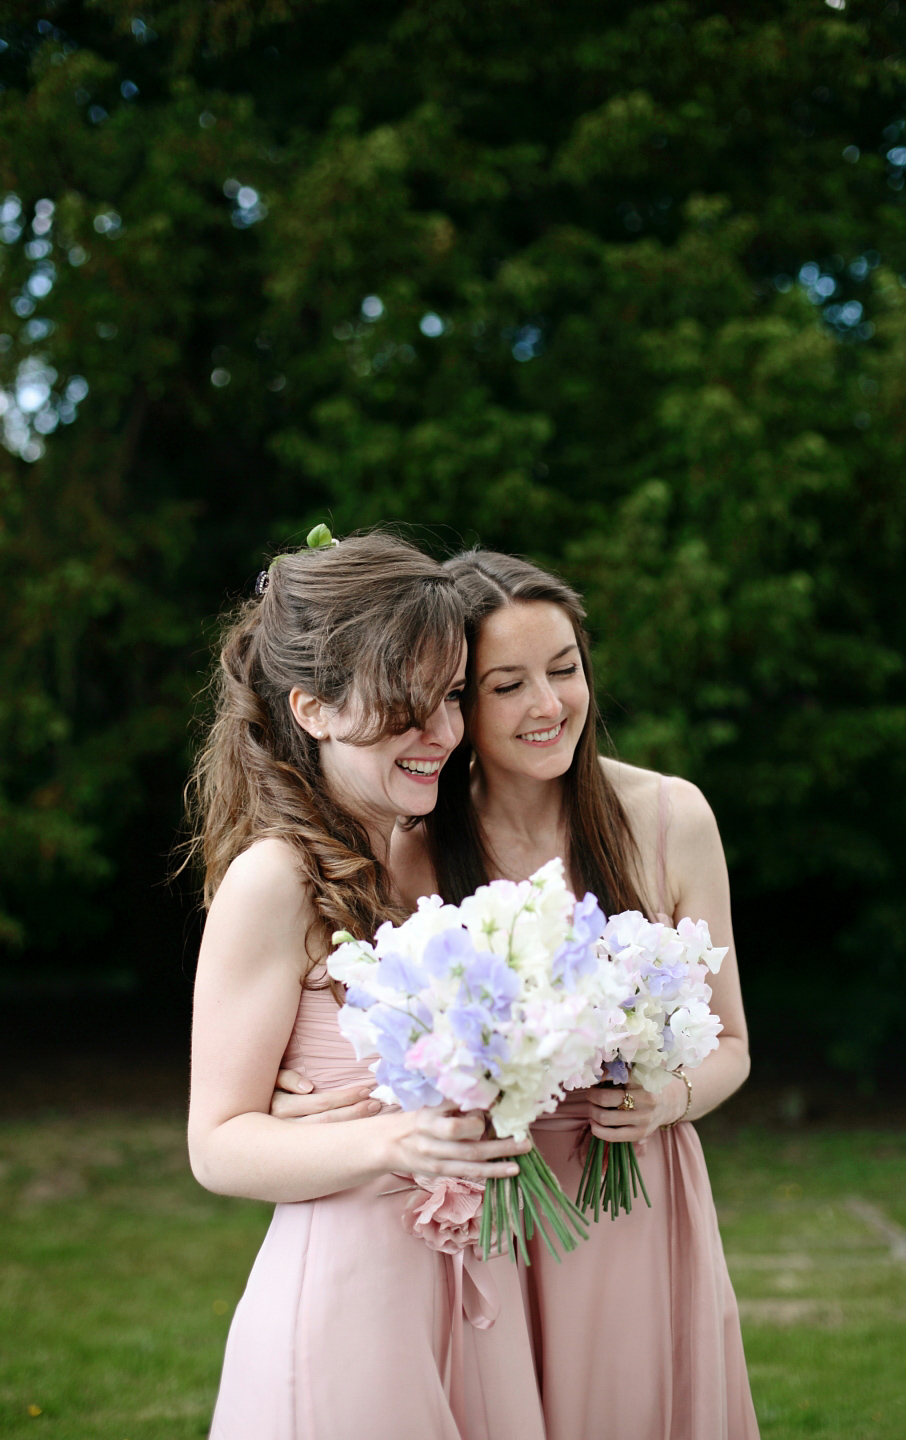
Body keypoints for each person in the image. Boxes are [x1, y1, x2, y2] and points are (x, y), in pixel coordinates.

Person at [274, 548, 760, 1440]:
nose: (549, 705)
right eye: (506, 686)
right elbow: (364, 1007)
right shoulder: (415, 843)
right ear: (457, 702)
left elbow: (731, 1044)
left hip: (634, 1201)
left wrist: (667, 1098)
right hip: (489, 1215)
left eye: (565, 669)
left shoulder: (669, 819)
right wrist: (313, 1078)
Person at [187, 532, 545, 1440]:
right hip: (349, 1303)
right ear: (312, 707)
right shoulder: (275, 879)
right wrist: (396, 1138)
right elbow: (218, 1145)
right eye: (406, 706)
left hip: (474, 1289)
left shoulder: (436, 852)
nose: (445, 733)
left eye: (453, 697)